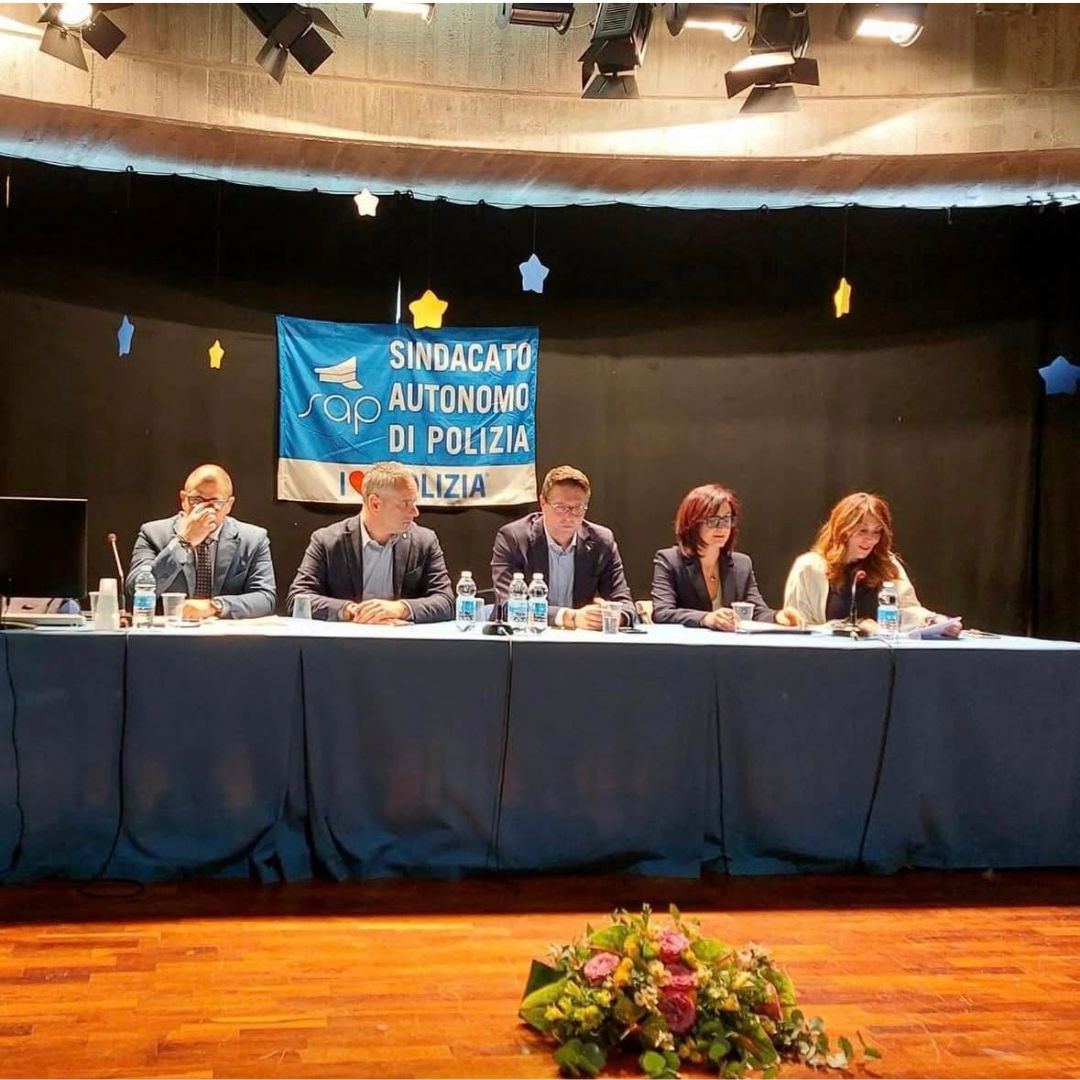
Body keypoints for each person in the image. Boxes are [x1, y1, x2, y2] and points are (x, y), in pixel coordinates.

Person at [287, 461, 453, 623]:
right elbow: (298, 598)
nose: (415, 512)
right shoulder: (327, 541)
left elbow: (446, 601)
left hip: (403, 639)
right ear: (375, 504)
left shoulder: (424, 541)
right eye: (405, 504)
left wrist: (400, 608)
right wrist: (351, 611)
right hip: (345, 639)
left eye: (414, 502)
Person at [783, 491, 960, 635]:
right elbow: (799, 627)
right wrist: (857, 627)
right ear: (842, 530)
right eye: (862, 531)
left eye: (877, 532)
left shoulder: (887, 563)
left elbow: (907, 610)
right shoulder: (808, 567)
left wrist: (934, 620)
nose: (870, 539)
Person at [491, 465, 635, 629]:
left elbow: (625, 604)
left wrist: (615, 616)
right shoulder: (514, 538)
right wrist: (567, 617)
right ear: (543, 503)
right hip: (525, 636)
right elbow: (507, 605)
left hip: (579, 639)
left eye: (578, 508)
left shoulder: (601, 541)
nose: (569, 517)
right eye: (561, 508)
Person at [128, 464, 276, 620]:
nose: (205, 509)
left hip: (225, 633)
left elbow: (265, 599)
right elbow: (134, 593)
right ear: (183, 500)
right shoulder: (153, 533)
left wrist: (215, 606)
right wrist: (183, 542)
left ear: (229, 505)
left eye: (215, 502)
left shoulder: (253, 539)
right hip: (170, 631)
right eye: (196, 500)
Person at [651, 483, 804, 630]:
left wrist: (779, 617)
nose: (722, 527)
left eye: (727, 520)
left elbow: (756, 611)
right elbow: (662, 613)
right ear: (692, 523)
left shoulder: (742, 564)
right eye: (713, 520)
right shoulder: (670, 560)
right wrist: (706, 618)